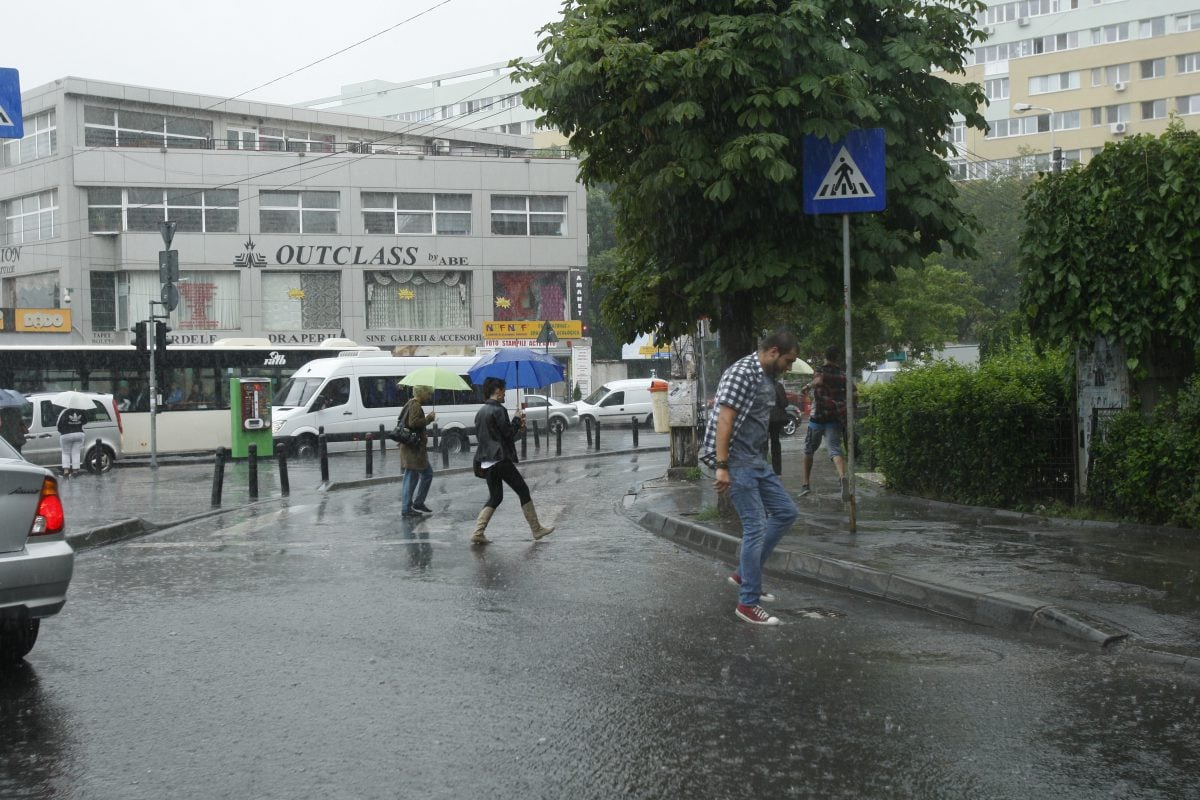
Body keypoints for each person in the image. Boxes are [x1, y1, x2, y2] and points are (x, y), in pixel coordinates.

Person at [701, 330, 800, 626]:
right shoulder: (742, 373)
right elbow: (724, 418)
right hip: (737, 460)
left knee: (785, 512)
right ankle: (748, 603)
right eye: (788, 360)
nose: (790, 366)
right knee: (755, 525)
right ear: (772, 352)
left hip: (756, 459)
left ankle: (745, 573)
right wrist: (721, 465)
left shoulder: (767, 376)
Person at [469, 377, 554, 545]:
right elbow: (507, 434)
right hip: (500, 460)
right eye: (504, 391)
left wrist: (518, 428)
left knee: (496, 497)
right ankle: (536, 529)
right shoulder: (498, 410)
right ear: (497, 390)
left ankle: (478, 532)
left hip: (486, 461)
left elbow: (497, 436)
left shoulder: (481, 411)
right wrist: (516, 420)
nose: (505, 395)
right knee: (523, 490)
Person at [801, 345, 850, 500]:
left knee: (809, 450)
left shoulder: (821, 370)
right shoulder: (843, 374)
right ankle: (842, 477)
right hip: (834, 416)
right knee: (835, 449)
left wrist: (808, 386)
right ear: (838, 357)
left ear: (826, 356)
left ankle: (806, 484)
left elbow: (819, 380)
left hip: (818, 416)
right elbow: (853, 391)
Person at [399, 386, 437, 518]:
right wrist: (428, 419)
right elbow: (414, 423)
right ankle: (406, 508)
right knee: (411, 477)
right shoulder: (415, 405)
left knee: (425, 474)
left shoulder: (410, 403)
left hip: (413, 449)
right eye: (428, 394)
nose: (429, 397)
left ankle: (418, 502)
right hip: (412, 449)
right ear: (421, 393)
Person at [57, 404, 87, 478]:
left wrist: (62, 431)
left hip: (66, 434)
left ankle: (66, 471)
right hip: (79, 433)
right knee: (76, 453)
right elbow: (85, 421)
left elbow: (58, 424)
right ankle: (75, 472)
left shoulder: (64, 411)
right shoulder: (81, 411)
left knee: (65, 453)